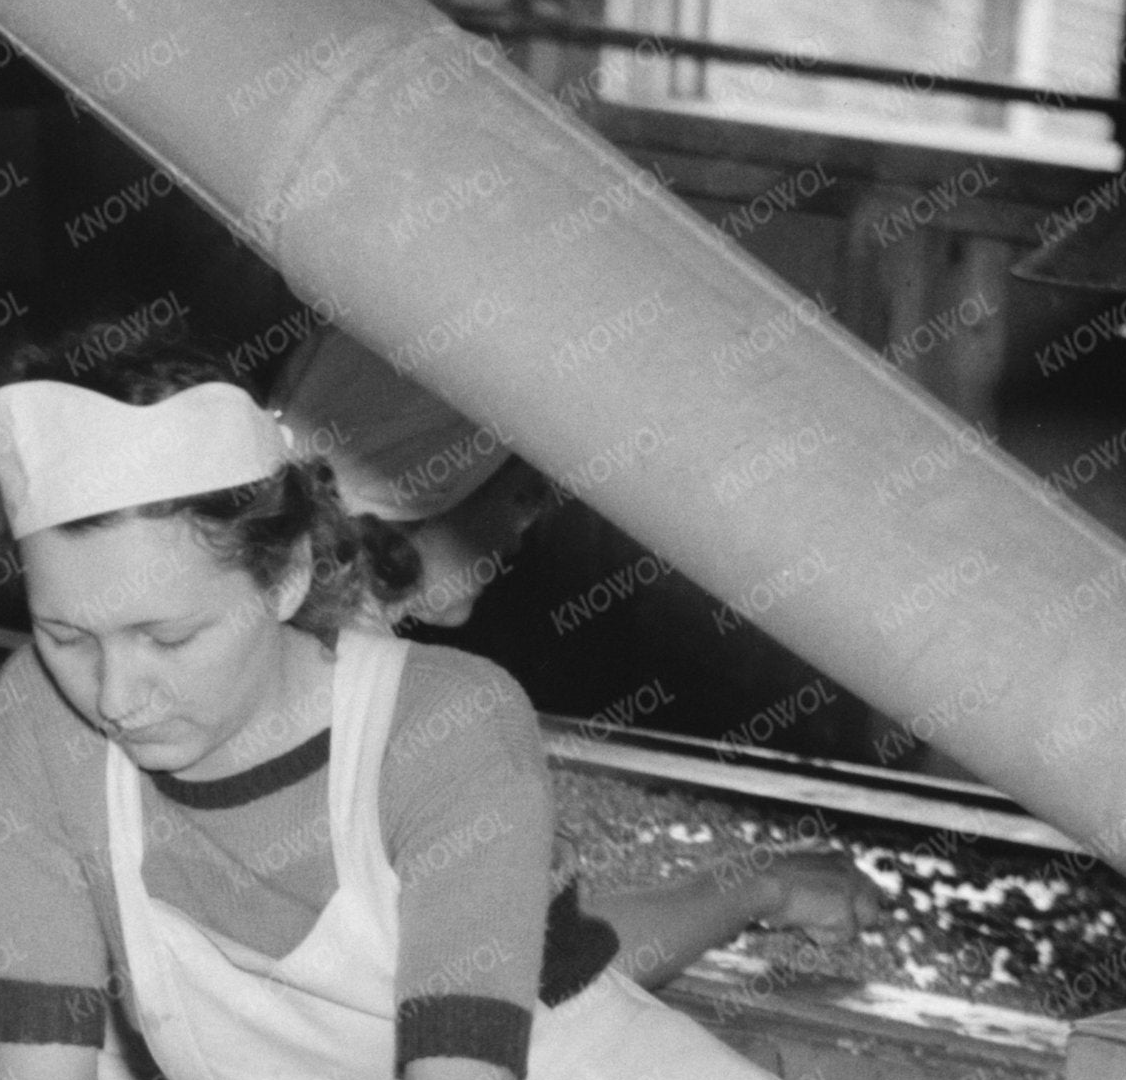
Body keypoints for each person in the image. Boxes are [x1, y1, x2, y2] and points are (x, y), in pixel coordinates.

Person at [0, 377, 973, 1080]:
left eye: (168, 636)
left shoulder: (441, 725)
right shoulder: (38, 720)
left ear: (288, 575)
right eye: (64, 632)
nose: (116, 692)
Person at [280, 321, 871, 986]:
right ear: (421, 478)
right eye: (522, 489)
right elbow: (524, 977)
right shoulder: (407, 712)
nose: (528, 523)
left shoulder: (277, 642)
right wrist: (762, 885)